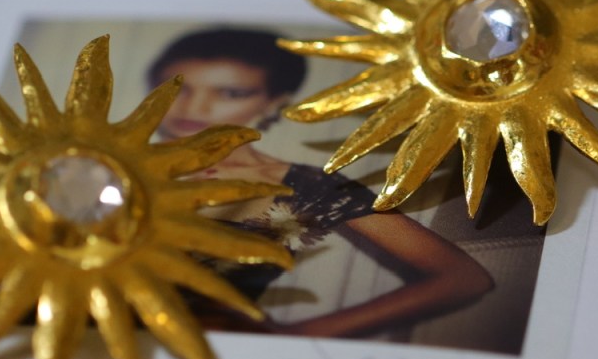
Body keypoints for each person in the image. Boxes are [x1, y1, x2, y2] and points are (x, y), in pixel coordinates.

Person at [147, 27, 494, 340]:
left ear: (274, 103)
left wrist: (302, 334)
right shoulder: (118, 163)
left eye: (230, 93)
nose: (194, 107)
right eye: (178, 88)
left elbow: (461, 278)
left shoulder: (306, 186)